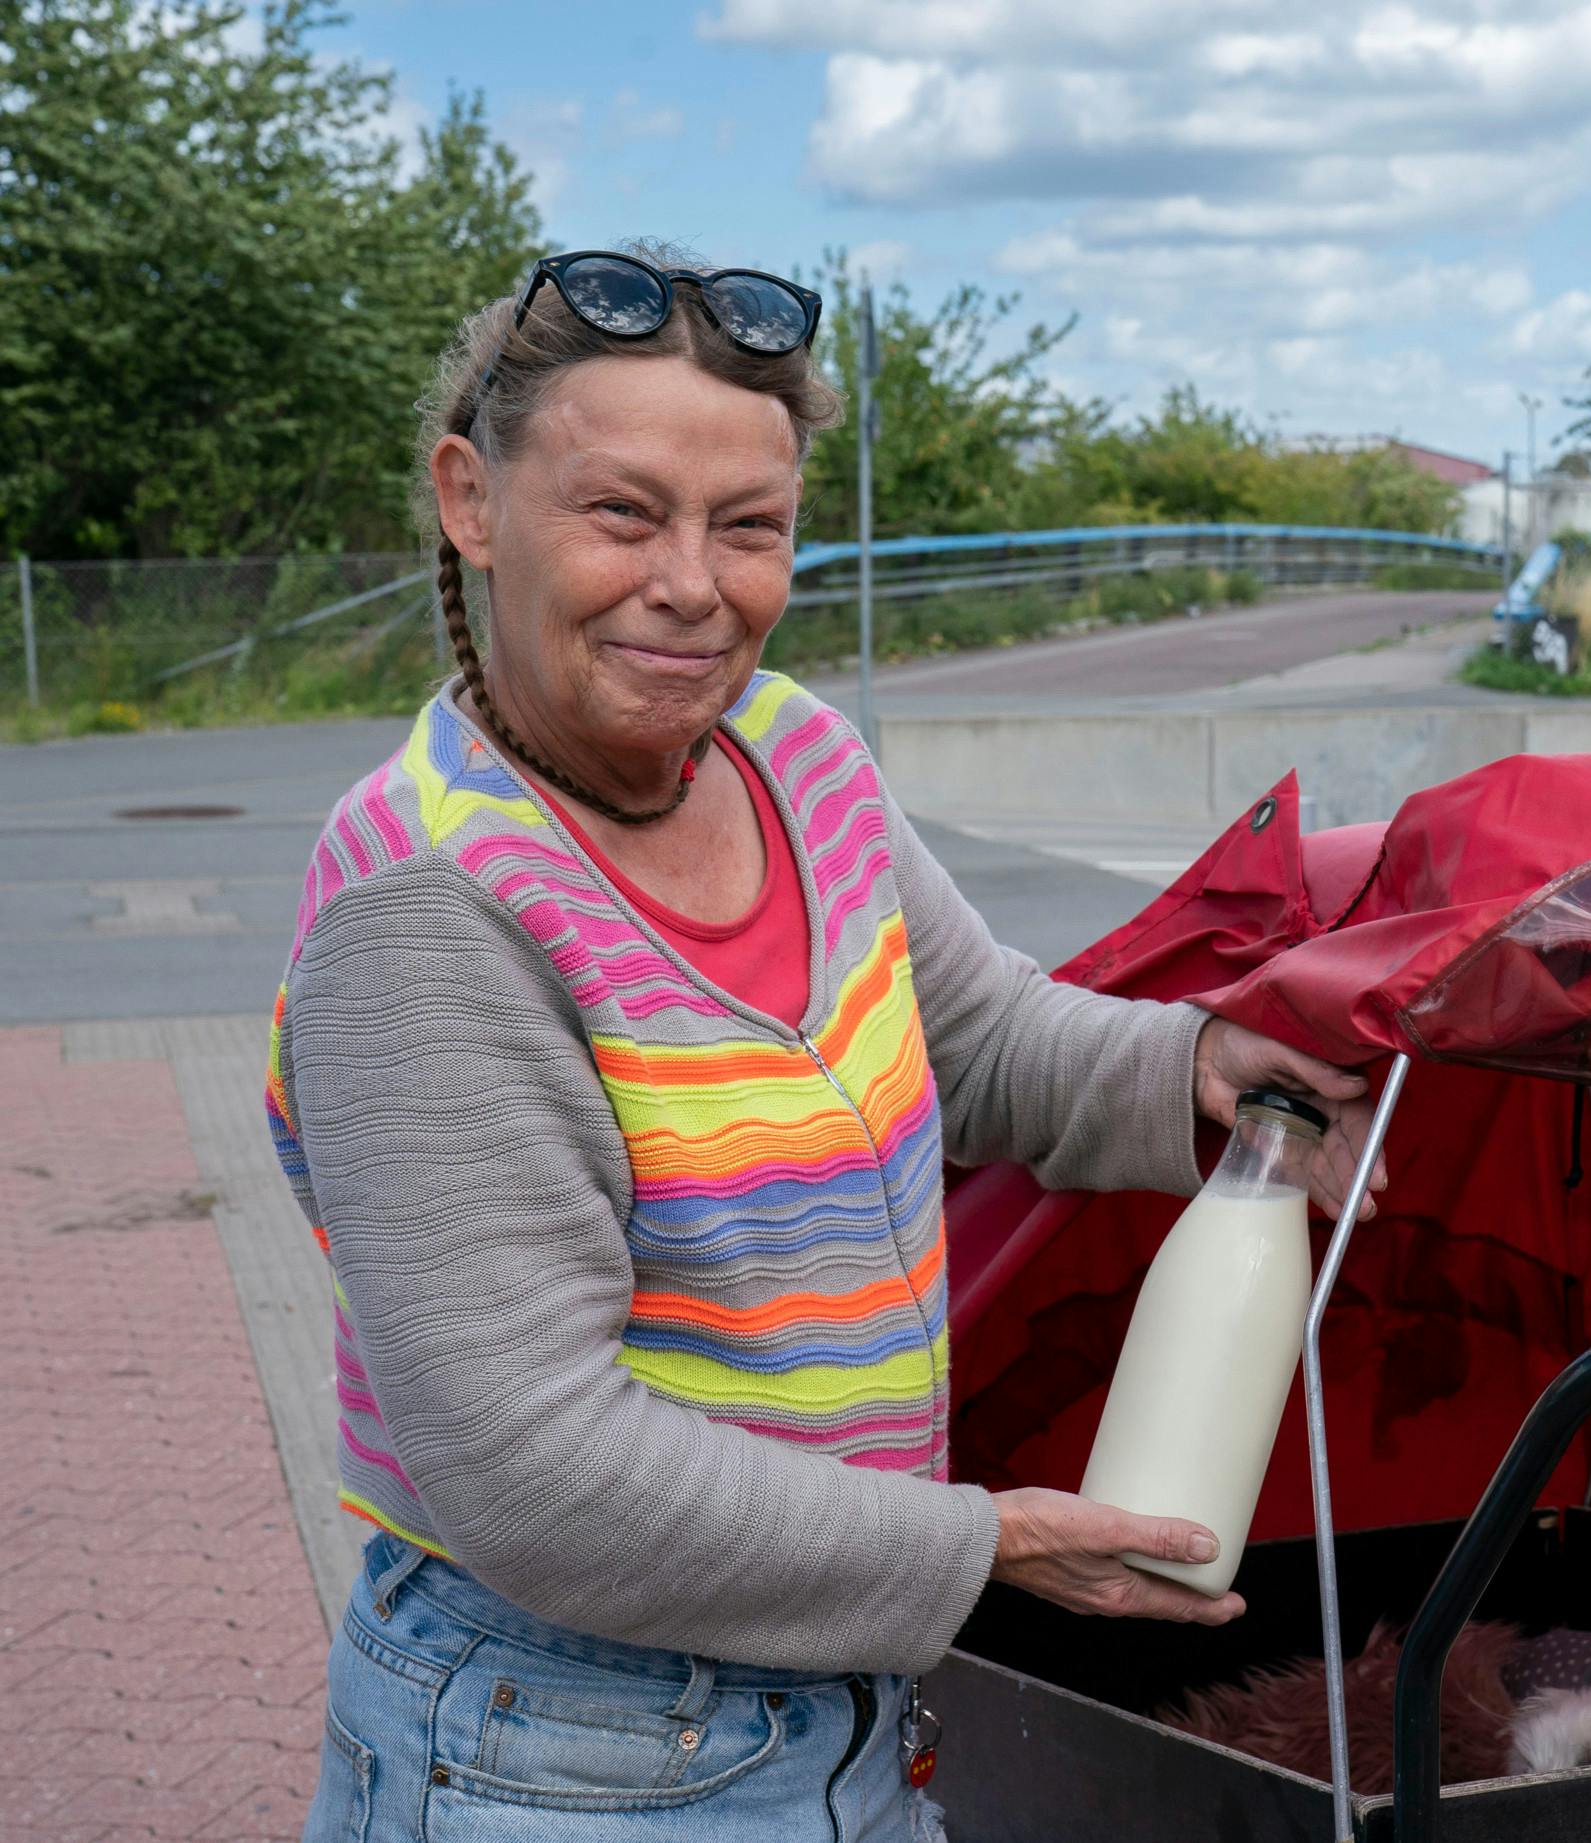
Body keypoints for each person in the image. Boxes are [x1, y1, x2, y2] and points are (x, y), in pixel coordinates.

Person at [265, 245, 1385, 1840]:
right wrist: (976, 1549)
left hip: (838, 1704)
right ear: (469, 497)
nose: (694, 586)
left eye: (751, 527)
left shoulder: (798, 759)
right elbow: (542, 1476)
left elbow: (984, 1040)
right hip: (567, 1749)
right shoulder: (428, 913)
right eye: (622, 513)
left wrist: (1194, 1071)